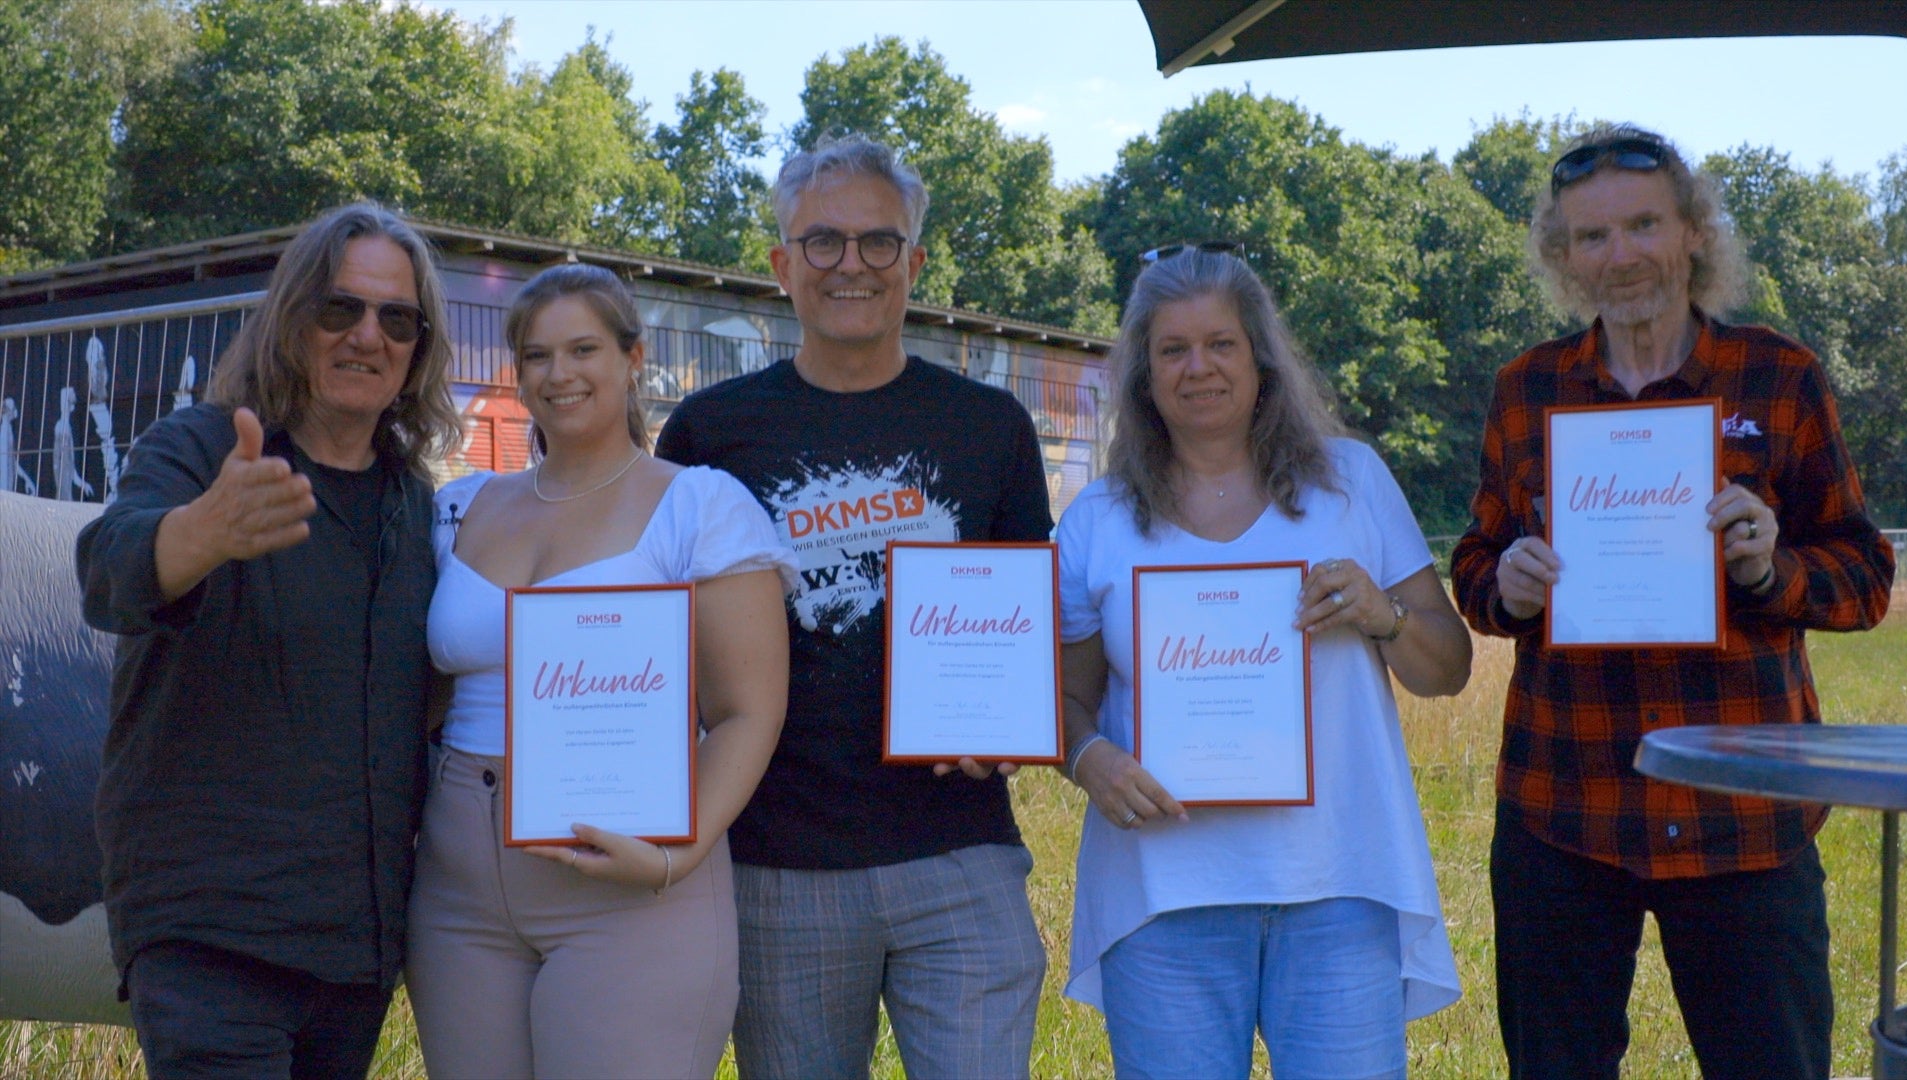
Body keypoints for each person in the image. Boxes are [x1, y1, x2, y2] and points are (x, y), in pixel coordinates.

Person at [1450, 124, 1896, 1080]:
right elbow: (1476, 568)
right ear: (1562, 258)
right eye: (1593, 237)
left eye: (1644, 224)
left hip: (1745, 818)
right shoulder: (1526, 390)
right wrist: (1508, 590)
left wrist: (1772, 572)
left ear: (1693, 232)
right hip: (1563, 813)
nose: (1623, 256)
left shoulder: (1780, 376)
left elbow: (1866, 578)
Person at [656, 133, 1052, 1078]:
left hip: (960, 852)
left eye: (879, 243)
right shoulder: (710, 433)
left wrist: (1004, 720)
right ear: (780, 263)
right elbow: (663, 638)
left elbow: (1025, 630)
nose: (851, 265)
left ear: (914, 263)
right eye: (823, 241)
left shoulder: (989, 426)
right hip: (778, 866)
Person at [1055, 246, 1470, 1079]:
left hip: (1337, 885)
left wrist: (1382, 615)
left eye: (1222, 344)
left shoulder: (1350, 483)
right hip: (1162, 893)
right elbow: (1066, 697)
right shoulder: (1098, 519)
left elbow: (1448, 666)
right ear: (1143, 373)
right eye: (1172, 349)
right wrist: (1088, 757)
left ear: (1262, 358)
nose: (1198, 367)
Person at [74, 202, 462, 1078]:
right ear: (291, 317)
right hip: (214, 938)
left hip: (354, 953)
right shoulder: (206, 448)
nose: (368, 335)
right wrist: (202, 531)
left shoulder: (414, 501)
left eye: (396, 319)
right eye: (341, 308)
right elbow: (106, 569)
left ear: (419, 348)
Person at [404, 263, 794, 1078]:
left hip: (628, 878)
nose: (560, 374)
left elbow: (747, 712)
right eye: (538, 356)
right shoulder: (461, 506)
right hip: (458, 885)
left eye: (584, 348)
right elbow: (425, 688)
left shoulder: (699, 506)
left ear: (632, 358)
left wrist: (673, 856)